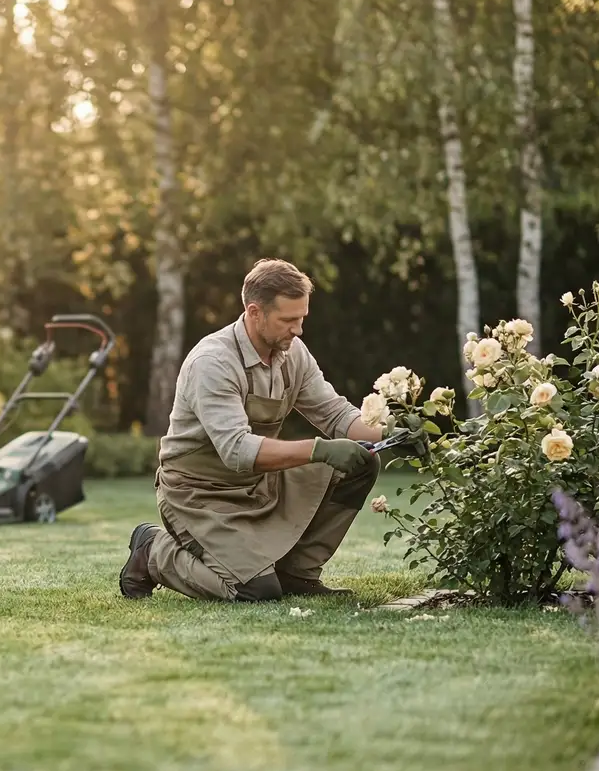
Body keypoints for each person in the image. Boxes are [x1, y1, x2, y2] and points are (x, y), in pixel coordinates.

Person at [117, 258, 418, 602]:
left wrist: (393, 432)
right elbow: (237, 450)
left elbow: (334, 413)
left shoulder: (292, 352)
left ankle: (297, 574)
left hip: (257, 484)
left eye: (301, 319)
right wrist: (320, 449)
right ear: (254, 312)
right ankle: (154, 550)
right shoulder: (212, 362)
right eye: (288, 320)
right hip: (198, 495)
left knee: (363, 463)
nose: (298, 330)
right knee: (253, 590)